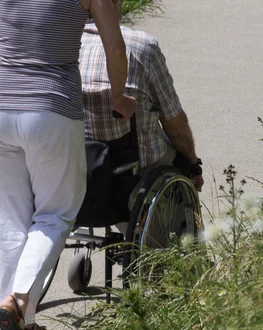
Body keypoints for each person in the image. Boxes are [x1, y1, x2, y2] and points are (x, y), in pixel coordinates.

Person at [0, 0, 137, 330]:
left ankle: (24, 325)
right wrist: (117, 96)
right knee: (56, 214)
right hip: (50, 106)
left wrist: (11, 89)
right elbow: (115, 46)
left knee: (11, 219)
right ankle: (16, 303)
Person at [79, 1, 204, 192]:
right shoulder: (141, 46)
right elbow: (175, 125)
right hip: (133, 170)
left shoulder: (61, 46)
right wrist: (193, 162)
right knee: (179, 156)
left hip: (76, 163)